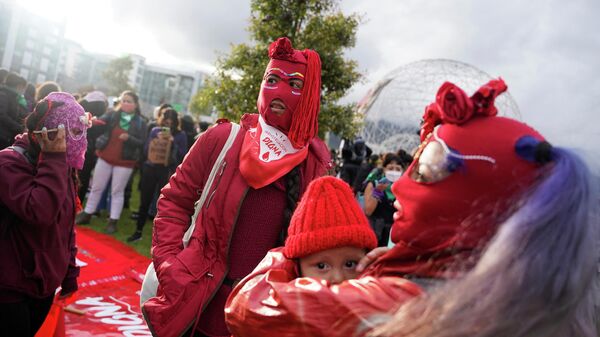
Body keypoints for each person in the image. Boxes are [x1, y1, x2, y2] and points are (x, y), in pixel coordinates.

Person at [225, 78, 600, 337]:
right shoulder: (529, 301)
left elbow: (250, 306)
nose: (400, 186)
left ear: (480, 203)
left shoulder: (408, 302)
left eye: (426, 171)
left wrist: (287, 256)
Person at [142, 37, 331, 337]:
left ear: (309, 96)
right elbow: (175, 200)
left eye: (295, 85)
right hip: (196, 306)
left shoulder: (314, 166)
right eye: (272, 79)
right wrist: (170, 265)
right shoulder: (222, 138)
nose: (280, 92)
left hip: (260, 319)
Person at [0, 92, 88, 337]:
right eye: (71, 132)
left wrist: (69, 271)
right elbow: (41, 212)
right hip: (10, 288)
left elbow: (65, 225)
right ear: (49, 134)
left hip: (44, 285)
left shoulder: (62, 166)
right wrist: (53, 158)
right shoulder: (9, 163)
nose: (78, 142)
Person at [75, 90, 147, 234]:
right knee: (96, 187)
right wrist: (91, 121)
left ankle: (113, 221)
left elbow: (143, 142)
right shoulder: (113, 114)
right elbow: (100, 120)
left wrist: (130, 138)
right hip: (105, 156)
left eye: (129, 101)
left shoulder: (140, 122)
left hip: (125, 162)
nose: (126, 103)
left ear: (135, 104)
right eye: (124, 100)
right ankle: (87, 213)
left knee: (117, 191)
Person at [283, 176, 377, 284]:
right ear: (297, 267)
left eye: (350, 264)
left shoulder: (379, 295)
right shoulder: (275, 298)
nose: (338, 278)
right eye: (321, 266)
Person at [127, 108, 187, 242]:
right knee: (145, 201)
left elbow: (183, 155)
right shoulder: (155, 130)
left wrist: (172, 142)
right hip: (151, 168)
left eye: (171, 121)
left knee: (163, 204)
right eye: (166, 120)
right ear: (162, 119)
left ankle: (160, 237)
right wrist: (157, 140)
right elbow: (146, 150)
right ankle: (138, 231)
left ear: (176, 121)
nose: (169, 124)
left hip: (166, 171)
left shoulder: (180, 135)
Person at [363, 152, 412, 246]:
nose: (394, 171)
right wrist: (378, 192)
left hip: (394, 238)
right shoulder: (374, 185)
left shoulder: (404, 189)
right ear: (384, 169)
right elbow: (368, 211)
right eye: (390, 168)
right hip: (376, 234)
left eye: (398, 169)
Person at [77, 91, 108, 202]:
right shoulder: (103, 121)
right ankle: (77, 204)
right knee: (83, 179)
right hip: (89, 154)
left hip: (76, 150)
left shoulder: (77, 114)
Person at [0, 72, 28, 149]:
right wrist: (19, 128)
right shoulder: (3, 94)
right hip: (2, 136)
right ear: (18, 86)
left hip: (7, 136)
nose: (23, 91)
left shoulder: (14, 97)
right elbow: (2, 115)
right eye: (23, 88)